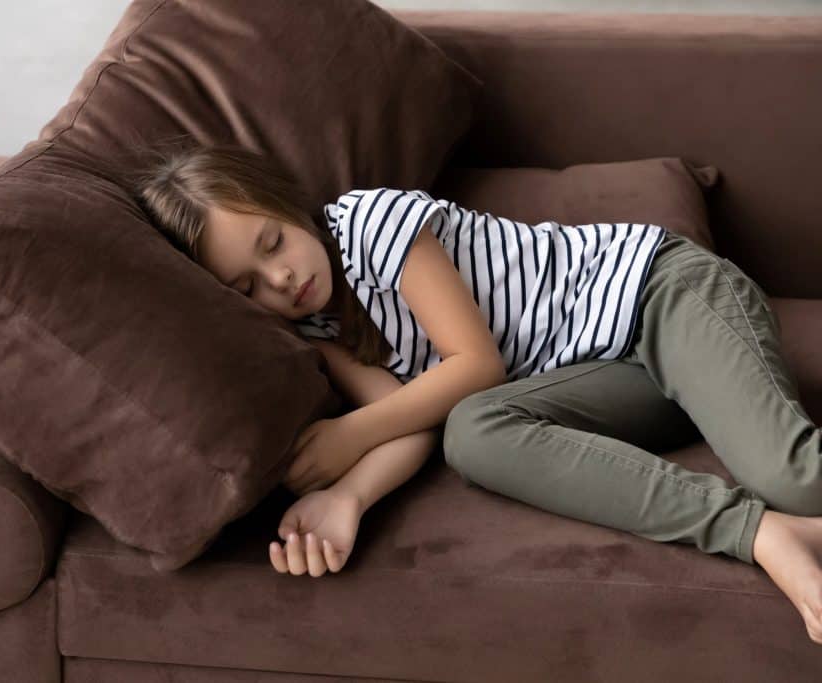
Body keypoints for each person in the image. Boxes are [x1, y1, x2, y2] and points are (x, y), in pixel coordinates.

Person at [130, 139, 822, 645]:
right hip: (608, 376)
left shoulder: (371, 224)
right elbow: (417, 420)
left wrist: (349, 436)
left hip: (662, 299)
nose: (279, 280)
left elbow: (474, 364)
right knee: (473, 434)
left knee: (794, 478)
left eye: (272, 243)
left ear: (285, 205)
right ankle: (756, 531)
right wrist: (347, 497)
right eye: (247, 287)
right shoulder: (318, 329)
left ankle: (778, 513)